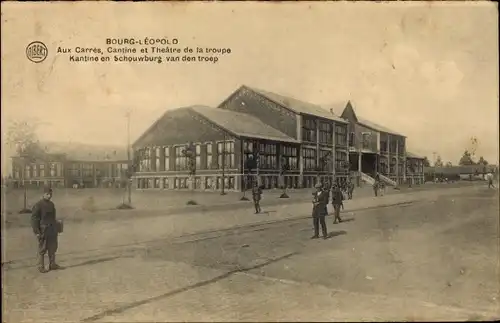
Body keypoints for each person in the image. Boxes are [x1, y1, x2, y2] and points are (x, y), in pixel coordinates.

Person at [31, 187, 63, 273]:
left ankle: (52, 264)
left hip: (52, 229)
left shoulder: (52, 204)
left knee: (52, 248)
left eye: (50, 194)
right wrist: (37, 232)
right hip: (43, 230)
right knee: (42, 249)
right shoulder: (38, 205)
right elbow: (34, 219)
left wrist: (57, 227)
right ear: (43, 194)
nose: (49, 196)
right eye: (47, 194)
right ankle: (41, 266)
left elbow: (53, 218)